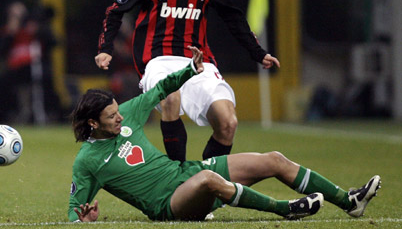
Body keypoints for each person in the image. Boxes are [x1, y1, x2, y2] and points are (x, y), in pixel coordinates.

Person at [69, 46, 380, 222]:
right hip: (168, 204)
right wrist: (83, 220)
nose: (119, 115)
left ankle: (348, 199)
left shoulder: (127, 115)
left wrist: (190, 70)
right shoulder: (87, 161)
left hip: (183, 173)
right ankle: (285, 209)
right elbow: (72, 211)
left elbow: (162, 88)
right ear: (93, 123)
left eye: (117, 110)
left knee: (272, 160)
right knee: (208, 180)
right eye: (111, 116)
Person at [95, 0, 280, 162]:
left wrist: (259, 53)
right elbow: (115, 11)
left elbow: (233, 18)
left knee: (228, 123)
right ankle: (179, 179)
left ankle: (206, 183)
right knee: (171, 97)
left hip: (198, 62)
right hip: (157, 61)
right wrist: (105, 47)